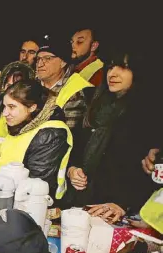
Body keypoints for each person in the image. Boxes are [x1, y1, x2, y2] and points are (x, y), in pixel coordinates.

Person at [65, 49, 158, 222]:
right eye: (110, 67)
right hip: (84, 203)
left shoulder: (149, 114)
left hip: (122, 213)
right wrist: (72, 170)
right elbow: (76, 147)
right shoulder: (96, 104)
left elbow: (148, 171)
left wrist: (123, 203)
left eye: (123, 68)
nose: (113, 73)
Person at [0, 80, 72, 200]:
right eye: (4, 107)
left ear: (32, 107)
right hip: (7, 193)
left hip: (35, 203)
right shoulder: (20, 124)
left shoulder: (50, 134)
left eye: (12, 107)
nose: (5, 113)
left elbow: (36, 184)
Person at [35, 36, 93, 131]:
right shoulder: (29, 82)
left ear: (63, 62)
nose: (40, 64)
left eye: (47, 58)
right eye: (38, 59)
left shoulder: (76, 90)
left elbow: (66, 132)